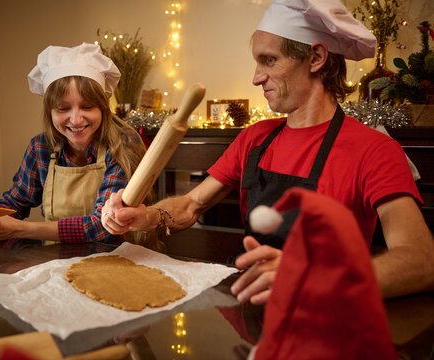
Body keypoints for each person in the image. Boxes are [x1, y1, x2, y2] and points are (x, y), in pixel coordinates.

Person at [101, 0, 434, 304]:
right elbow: (191, 205)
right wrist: (147, 216)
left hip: (325, 316)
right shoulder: (255, 139)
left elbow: (422, 261)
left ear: (316, 58)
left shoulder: (374, 149)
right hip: (251, 306)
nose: (257, 78)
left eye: (269, 60)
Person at [0, 43, 145, 244]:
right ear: (50, 111)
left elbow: (104, 225)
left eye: (87, 106)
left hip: (120, 261)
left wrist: (19, 229)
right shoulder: (41, 148)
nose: (76, 119)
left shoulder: (123, 143)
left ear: (102, 108)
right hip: (57, 263)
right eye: (63, 108)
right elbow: (16, 202)